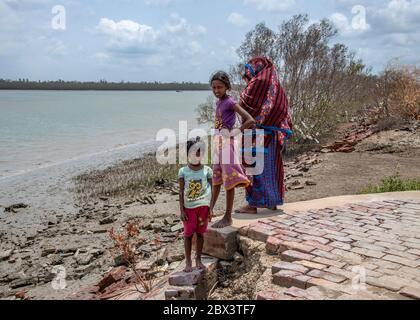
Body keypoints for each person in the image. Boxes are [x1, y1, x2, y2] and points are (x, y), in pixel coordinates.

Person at [235, 57, 293, 214]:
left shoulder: (259, 83)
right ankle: (272, 202)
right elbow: (282, 109)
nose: (248, 78)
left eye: (249, 73)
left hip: (255, 135)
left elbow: (246, 103)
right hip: (272, 135)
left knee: (253, 168)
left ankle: (252, 205)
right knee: (271, 168)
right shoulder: (275, 84)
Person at [209, 71, 256, 228]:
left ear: (227, 87)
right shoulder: (218, 103)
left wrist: (236, 132)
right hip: (218, 143)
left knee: (229, 179)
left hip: (228, 144)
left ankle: (228, 217)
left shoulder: (230, 102)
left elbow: (250, 120)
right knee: (216, 178)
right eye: (214, 87)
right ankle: (210, 211)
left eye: (220, 87)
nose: (216, 90)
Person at [178, 137, 213, 272]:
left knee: (200, 234)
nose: (197, 155)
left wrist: (211, 209)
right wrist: (181, 210)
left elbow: (212, 190)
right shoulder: (183, 171)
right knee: (187, 235)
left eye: (200, 152)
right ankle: (188, 261)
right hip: (189, 209)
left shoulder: (207, 170)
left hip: (203, 209)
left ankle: (198, 258)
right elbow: (181, 192)